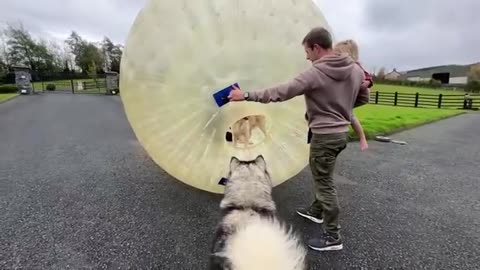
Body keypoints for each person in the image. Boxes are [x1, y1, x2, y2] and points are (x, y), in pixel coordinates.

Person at [227, 26, 369, 251]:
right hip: (340, 134)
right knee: (325, 175)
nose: (306, 57)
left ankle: (333, 237)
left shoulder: (316, 72)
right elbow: (363, 98)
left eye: (307, 52)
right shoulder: (355, 70)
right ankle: (316, 211)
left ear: (316, 47)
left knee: (325, 183)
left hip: (324, 136)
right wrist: (340, 107)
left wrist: (244, 95)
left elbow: (281, 92)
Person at [333, 39, 374, 151]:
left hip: (360, 96)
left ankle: (362, 137)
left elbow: (369, 77)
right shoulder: (341, 67)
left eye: (338, 54)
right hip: (353, 93)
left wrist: (367, 82)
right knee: (342, 110)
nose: (335, 56)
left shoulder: (356, 66)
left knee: (349, 114)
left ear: (350, 55)